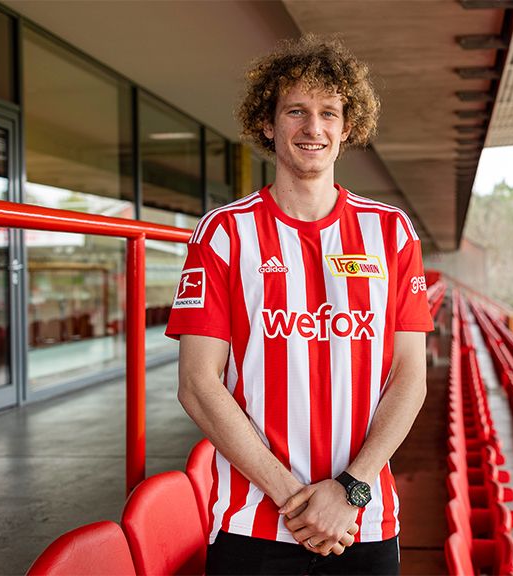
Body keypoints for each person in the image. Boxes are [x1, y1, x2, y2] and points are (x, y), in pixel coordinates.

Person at [165, 35, 433, 575]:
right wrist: (298, 500)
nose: (314, 128)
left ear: (347, 128)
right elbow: (197, 383)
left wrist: (350, 490)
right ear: (268, 123)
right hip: (251, 525)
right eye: (296, 111)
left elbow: (410, 377)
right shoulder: (223, 234)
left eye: (328, 113)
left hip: (365, 521)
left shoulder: (392, 233)